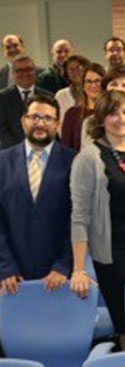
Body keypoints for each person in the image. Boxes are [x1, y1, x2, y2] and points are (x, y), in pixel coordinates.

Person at [69, 91, 125, 351]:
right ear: (102, 118)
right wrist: (78, 268)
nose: (121, 119)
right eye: (113, 113)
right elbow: (79, 216)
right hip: (113, 249)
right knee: (122, 317)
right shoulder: (88, 157)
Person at [0, 94, 74, 294]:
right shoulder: (2, 162)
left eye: (48, 118)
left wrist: (63, 265)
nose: (40, 123)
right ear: (23, 120)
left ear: (58, 123)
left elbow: (77, 220)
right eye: (34, 117)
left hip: (58, 276)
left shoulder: (74, 162)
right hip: (10, 278)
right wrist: (5, 266)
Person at [0, 56, 50, 149]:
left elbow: (50, 125)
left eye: (29, 69)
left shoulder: (48, 97)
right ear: (12, 74)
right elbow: (2, 130)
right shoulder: (2, 98)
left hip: (42, 150)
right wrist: (24, 149)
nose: (25, 74)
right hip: (11, 153)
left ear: (35, 71)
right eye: (19, 70)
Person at [61, 63, 104, 151]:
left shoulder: (110, 112)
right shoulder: (72, 114)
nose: (93, 85)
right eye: (89, 81)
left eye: (97, 81)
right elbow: (66, 148)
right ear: (83, 85)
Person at [55, 55, 90, 123]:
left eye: (78, 68)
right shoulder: (61, 95)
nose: (75, 72)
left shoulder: (93, 91)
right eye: (71, 69)